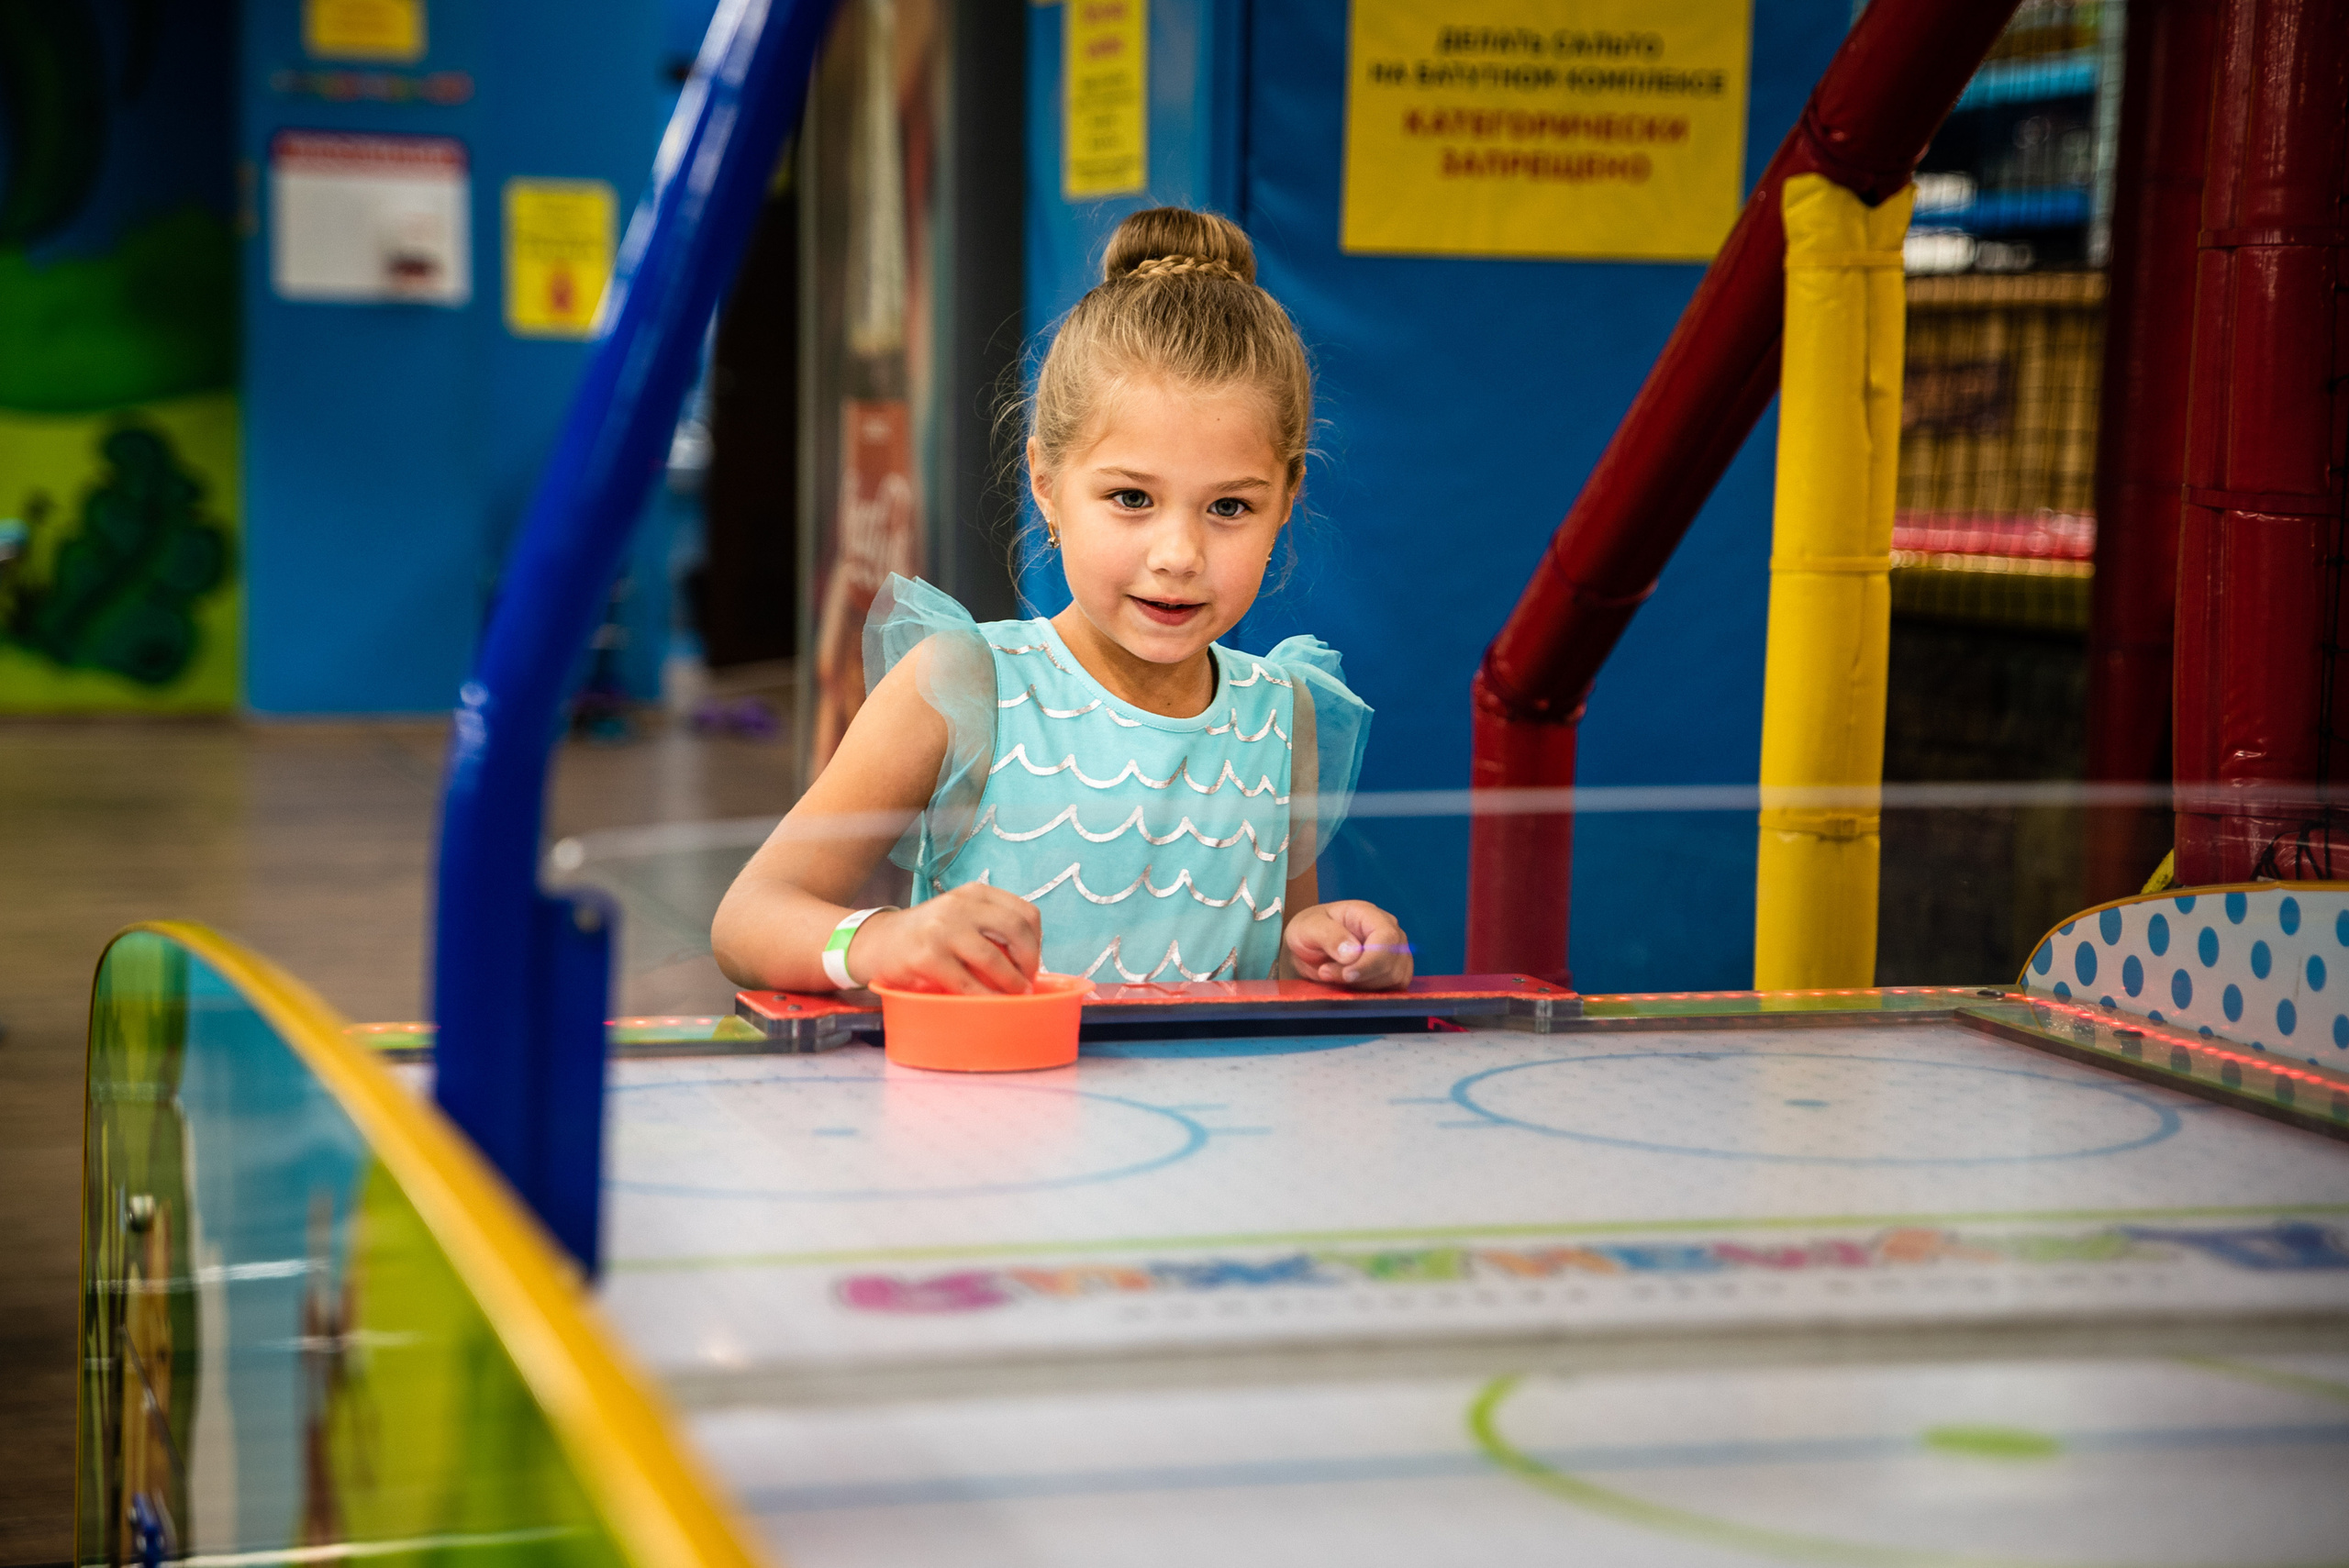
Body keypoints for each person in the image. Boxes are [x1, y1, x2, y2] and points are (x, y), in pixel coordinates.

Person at [712, 206, 1411, 995]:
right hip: (996, 1113)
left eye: (1229, 507)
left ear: (1287, 499)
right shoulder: (966, 684)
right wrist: (878, 942)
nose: (1177, 555)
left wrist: (1323, 950)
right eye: (1130, 497)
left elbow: (1270, 966)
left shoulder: (1288, 714)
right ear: (1046, 484)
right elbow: (749, 916)